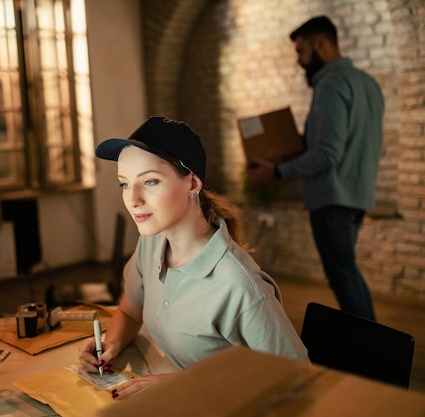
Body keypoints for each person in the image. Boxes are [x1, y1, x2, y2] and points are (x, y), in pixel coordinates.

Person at [79, 116, 308, 400]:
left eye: (149, 181)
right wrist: (109, 345)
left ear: (192, 183)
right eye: (124, 184)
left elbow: (295, 380)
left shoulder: (239, 286)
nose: (133, 198)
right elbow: (130, 310)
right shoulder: (151, 242)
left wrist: (183, 384)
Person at [246, 16, 384, 321]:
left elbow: (327, 153)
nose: (298, 61)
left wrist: (277, 172)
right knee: (347, 273)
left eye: (301, 51)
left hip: (332, 197)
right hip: (358, 195)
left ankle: (371, 354)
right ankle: (371, 347)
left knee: (343, 277)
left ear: (321, 44)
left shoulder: (331, 85)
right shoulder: (368, 84)